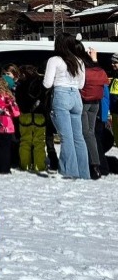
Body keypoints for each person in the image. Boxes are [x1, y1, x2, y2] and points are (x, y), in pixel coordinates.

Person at [43, 33, 88, 180]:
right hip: (76, 97)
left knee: (66, 137)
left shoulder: (54, 60)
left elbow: (47, 84)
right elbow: (81, 84)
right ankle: (83, 172)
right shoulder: (79, 61)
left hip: (61, 95)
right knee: (78, 138)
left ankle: (68, 171)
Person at [14, 64, 48, 173]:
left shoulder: (20, 85)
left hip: (25, 115)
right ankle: (39, 166)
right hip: (39, 116)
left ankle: (25, 165)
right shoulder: (41, 84)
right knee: (39, 142)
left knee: (25, 142)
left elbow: (18, 101)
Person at [81, 49, 108, 179]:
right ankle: (96, 165)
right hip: (96, 104)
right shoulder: (101, 72)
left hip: (84, 103)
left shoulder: (84, 72)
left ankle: (91, 165)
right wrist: (95, 59)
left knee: (86, 134)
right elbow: (105, 83)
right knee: (91, 133)